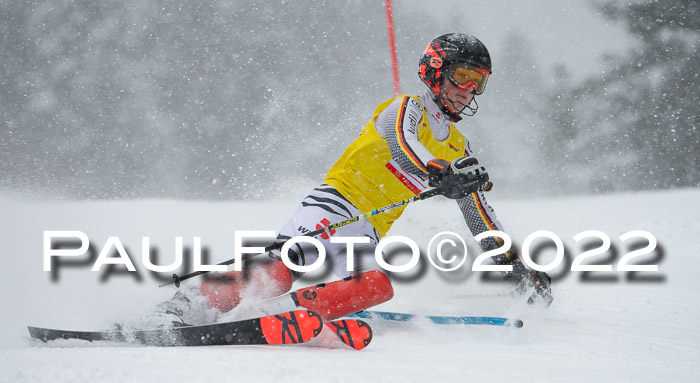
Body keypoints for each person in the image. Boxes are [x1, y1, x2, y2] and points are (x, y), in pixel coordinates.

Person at [162, 33, 552, 324]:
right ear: (436, 71)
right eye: (463, 76)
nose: (468, 91)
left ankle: (283, 315)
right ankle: (187, 305)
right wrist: (439, 172)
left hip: (364, 231)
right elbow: (403, 144)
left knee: (375, 288)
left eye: (478, 82)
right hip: (334, 205)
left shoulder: (458, 146)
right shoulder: (405, 108)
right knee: (281, 271)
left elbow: (477, 210)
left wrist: (512, 263)